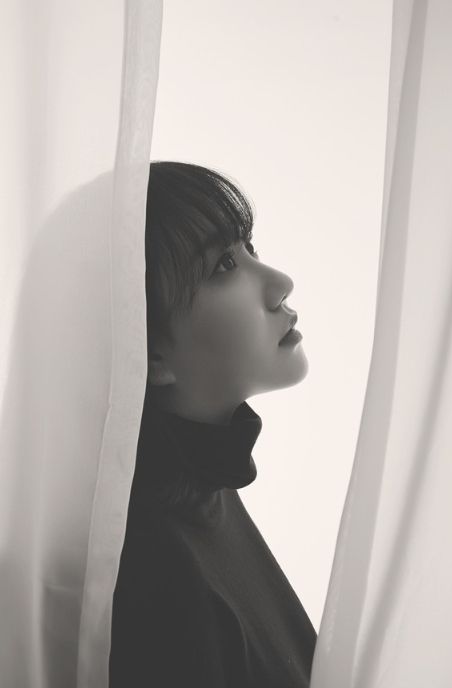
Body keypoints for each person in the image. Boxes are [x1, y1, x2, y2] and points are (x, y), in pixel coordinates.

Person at [109, 161, 317, 687]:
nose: (280, 284)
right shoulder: (151, 564)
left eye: (250, 248)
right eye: (223, 264)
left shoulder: (201, 493)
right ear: (148, 352)